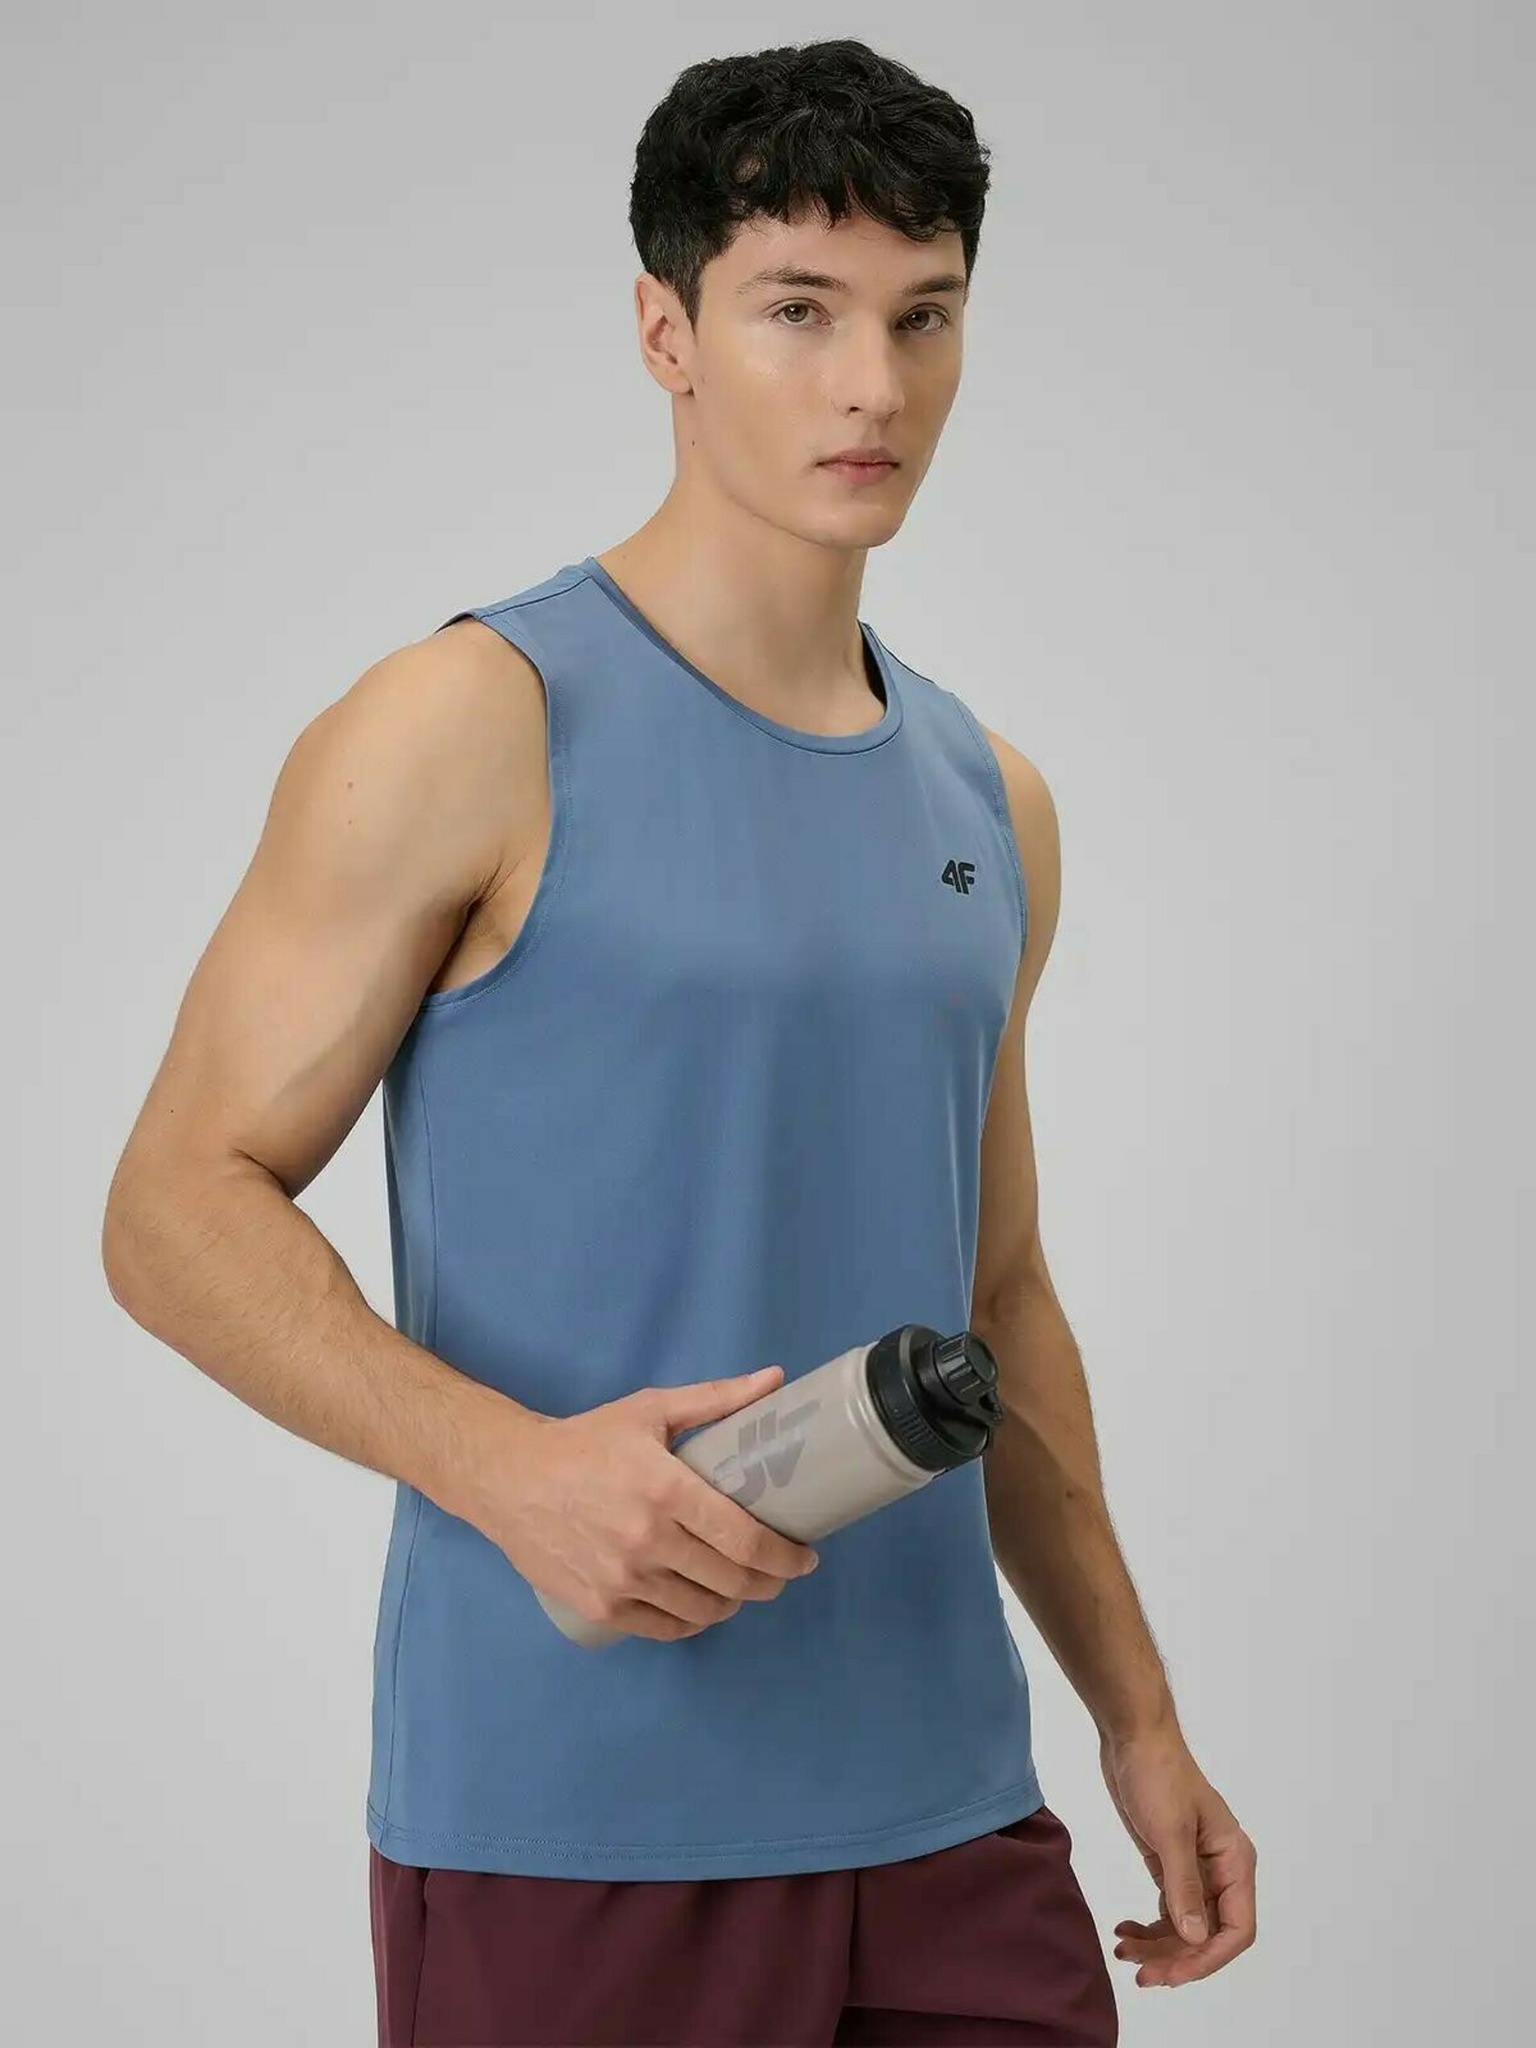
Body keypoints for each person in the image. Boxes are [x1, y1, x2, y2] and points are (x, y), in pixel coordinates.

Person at [101, 34, 1257, 2048]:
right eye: (798, 310)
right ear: (667, 330)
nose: (872, 384)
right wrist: (509, 1472)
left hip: (954, 1821)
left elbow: (997, 1293)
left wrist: (1138, 1717)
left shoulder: (992, 799)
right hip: (578, 1824)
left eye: (922, 317)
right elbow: (171, 1208)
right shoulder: (470, 724)